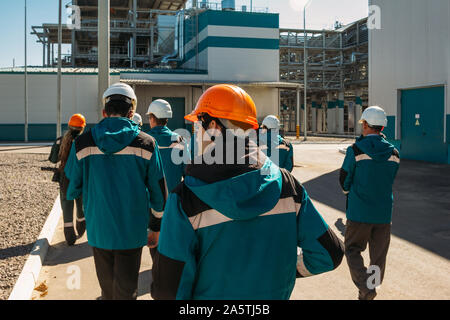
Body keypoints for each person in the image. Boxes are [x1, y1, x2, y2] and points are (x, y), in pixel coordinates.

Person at [151, 84, 344, 300]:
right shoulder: (288, 186)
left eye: (198, 127)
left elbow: (168, 290)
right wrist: (288, 270)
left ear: (213, 126)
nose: (196, 134)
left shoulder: (185, 199)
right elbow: (329, 253)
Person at [64, 82, 168, 300]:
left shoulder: (83, 142)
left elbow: (72, 186)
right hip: (132, 230)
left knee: (107, 290)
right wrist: (156, 225)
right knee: (127, 291)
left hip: (99, 229)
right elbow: (159, 193)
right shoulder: (147, 143)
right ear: (132, 113)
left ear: (104, 111)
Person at [339, 106, 400, 300]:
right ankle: (369, 292)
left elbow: (344, 178)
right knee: (377, 258)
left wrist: (348, 191)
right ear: (382, 126)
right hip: (383, 214)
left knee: (352, 250)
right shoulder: (395, 153)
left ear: (365, 124)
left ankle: (366, 288)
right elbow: (390, 179)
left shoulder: (356, 150)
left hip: (358, 213)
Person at [48, 114, 86, 246]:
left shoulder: (60, 140)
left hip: (65, 178)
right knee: (81, 204)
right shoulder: (84, 141)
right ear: (82, 127)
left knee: (66, 204)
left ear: (69, 126)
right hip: (81, 177)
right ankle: (81, 228)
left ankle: (69, 237)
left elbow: (53, 159)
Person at [146, 99, 189, 192]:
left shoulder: (144, 141)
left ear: (152, 118)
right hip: (173, 199)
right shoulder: (180, 141)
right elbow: (188, 172)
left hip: (151, 201)